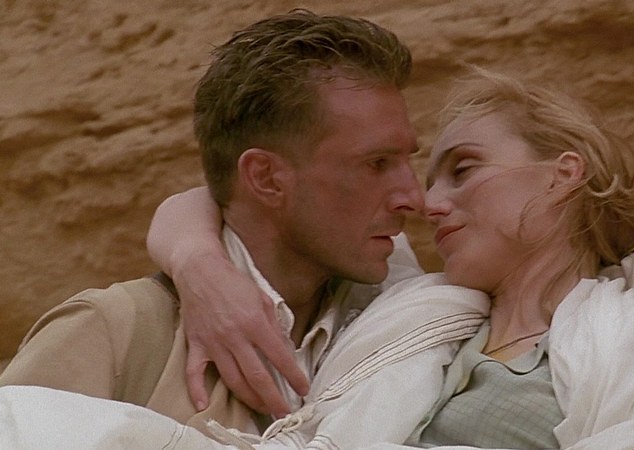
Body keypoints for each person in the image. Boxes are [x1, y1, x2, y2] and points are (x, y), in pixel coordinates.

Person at [139, 67, 634, 448]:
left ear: (563, 176)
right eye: (431, 182)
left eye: (464, 170)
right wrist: (202, 268)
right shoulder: (398, 303)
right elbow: (216, 200)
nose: (429, 205)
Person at [0, 10, 491, 444]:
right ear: (266, 177)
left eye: (406, 160)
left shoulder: (414, 319)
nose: (413, 198)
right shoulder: (113, 332)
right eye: (376, 164)